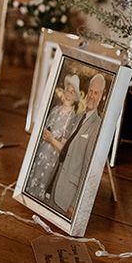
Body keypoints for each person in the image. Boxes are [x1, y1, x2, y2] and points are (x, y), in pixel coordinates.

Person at [49, 73, 106, 218]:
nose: (92, 96)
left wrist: (75, 204)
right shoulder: (78, 117)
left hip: (68, 196)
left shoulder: (97, 126)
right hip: (56, 183)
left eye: (96, 93)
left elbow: (88, 170)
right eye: (90, 91)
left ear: (102, 97)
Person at [28, 74, 81, 200]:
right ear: (63, 92)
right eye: (68, 90)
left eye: (72, 93)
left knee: (41, 181)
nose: (69, 94)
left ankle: (35, 201)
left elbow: (63, 148)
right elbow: (44, 128)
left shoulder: (71, 118)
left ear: (75, 98)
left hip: (51, 158)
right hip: (40, 151)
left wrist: (51, 139)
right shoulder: (55, 109)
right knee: (31, 175)